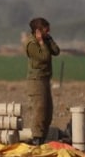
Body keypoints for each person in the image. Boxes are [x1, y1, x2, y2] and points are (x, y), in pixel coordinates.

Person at [24, 16, 60, 144]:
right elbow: (44, 57)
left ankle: (43, 136)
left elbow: (56, 51)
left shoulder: (46, 40)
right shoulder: (31, 44)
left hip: (45, 79)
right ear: (38, 31)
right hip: (36, 80)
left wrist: (48, 39)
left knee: (48, 110)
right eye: (46, 30)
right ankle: (37, 138)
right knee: (39, 109)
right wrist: (41, 42)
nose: (48, 32)